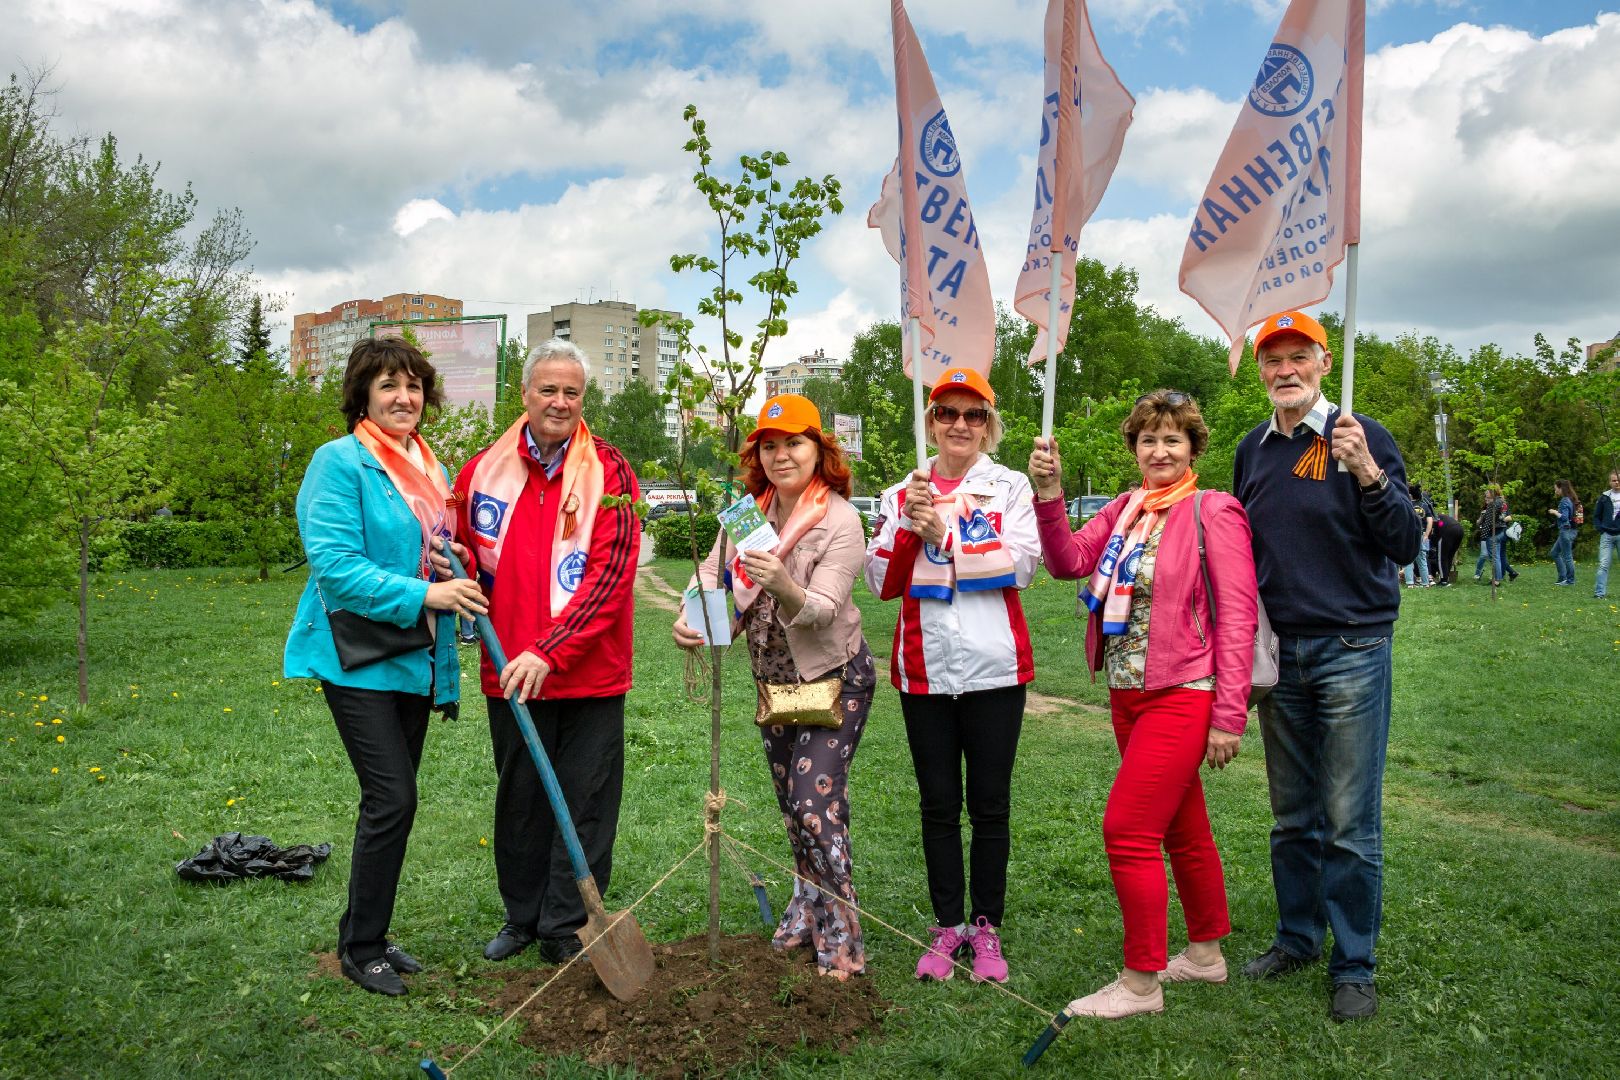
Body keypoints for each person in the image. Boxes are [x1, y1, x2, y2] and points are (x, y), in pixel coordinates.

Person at [1030, 389, 1257, 1019]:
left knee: (1127, 830)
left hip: (1183, 692)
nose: (1159, 450)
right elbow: (1068, 561)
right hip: (1127, 693)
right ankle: (1206, 956)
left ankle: (1140, 984)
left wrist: (1229, 717)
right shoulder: (1126, 509)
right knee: (1183, 827)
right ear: (1134, 448)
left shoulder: (1215, 511)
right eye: (1148, 440)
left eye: (1172, 440)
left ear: (1192, 448)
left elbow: (1238, 617)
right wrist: (1050, 497)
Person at [284, 338, 489, 996]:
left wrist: (449, 566)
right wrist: (429, 593)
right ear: (362, 396)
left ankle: (367, 933)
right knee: (393, 797)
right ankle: (360, 947)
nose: (404, 398)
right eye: (388, 386)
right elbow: (337, 570)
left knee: (391, 804)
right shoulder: (339, 463)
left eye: (414, 387)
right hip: (354, 655)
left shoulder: (427, 466)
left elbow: (427, 549)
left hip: (410, 657)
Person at [1232, 310, 1420, 1023]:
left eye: (1297, 357)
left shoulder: (1360, 436)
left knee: (1348, 821)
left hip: (1352, 650)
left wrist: (1367, 471)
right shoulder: (1253, 450)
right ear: (1262, 372)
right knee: (1293, 818)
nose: (1285, 371)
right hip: (1282, 656)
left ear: (1322, 361)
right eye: (1271, 360)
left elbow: (1403, 542)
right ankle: (1297, 938)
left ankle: (1354, 965)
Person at [445, 339, 640, 966]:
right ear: (524, 394)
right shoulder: (481, 471)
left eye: (572, 392)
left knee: (585, 801)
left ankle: (567, 926)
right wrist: (451, 562)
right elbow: (466, 552)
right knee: (521, 800)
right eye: (548, 390)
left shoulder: (612, 472)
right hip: (509, 672)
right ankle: (522, 918)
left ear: (585, 398)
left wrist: (550, 651)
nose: (559, 402)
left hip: (589, 674)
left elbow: (609, 577)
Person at [673, 395, 875, 980]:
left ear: (819, 450)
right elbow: (712, 571)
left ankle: (843, 937)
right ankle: (806, 907)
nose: (782, 454)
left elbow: (824, 608)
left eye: (795, 443)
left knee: (816, 805)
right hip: (776, 685)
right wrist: (697, 617)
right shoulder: (747, 513)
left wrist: (784, 584)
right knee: (794, 809)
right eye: (770, 444)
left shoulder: (840, 520)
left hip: (835, 680)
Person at [862, 367, 1039, 984]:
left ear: (989, 425)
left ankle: (985, 926)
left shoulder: (1010, 486)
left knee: (989, 805)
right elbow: (879, 581)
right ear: (930, 422)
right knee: (938, 804)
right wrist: (908, 531)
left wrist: (950, 534)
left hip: (994, 670)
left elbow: (1021, 567)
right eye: (946, 414)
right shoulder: (899, 493)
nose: (959, 425)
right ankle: (945, 926)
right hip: (925, 671)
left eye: (973, 415)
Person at [1474, 488, 1516, 586]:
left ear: (1493, 493)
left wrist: (1484, 536)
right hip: (1501, 532)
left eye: (1487, 492)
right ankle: (1500, 577)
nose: (1485, 494)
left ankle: (1497, 580)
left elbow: (1491, 521)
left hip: (1495, 533)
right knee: (1498, 556)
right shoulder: (1500, 503)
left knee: (1494, 557)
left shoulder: (1495, 504)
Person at [1546, 479, 1580, 586]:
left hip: (1566, 531)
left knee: (1567, 557)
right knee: (1554, 553)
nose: (1555, 491)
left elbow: (1565, 517)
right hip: (1568, 530)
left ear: (1561, 488)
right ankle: (1562, 577)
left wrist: (1555, 512)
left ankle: (1570, 581)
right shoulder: (1569, 499)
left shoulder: (1565, 500)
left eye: (1556, 489)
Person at [1594, 471, 1620, 599]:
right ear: (1610, 482)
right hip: (1607, 535)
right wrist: (1601, 529)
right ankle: (1599, 593)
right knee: (1603, 564)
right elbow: (1596, 516)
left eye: (1618, 480)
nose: (1616, 482)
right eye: (1614, 480)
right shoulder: (1604, 497)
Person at [1403, 484, 1433, 588]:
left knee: (1408, 559)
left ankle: (1410, 583)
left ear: (1410, 494)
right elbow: (1430, 521)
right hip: (1421, 534)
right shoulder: (1424, 505)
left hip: (1409, 535)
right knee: (1422, 560)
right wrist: (1427, 535)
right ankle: (1426, 583)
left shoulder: (1406, 505)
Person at [1430, 511, 1465, 586]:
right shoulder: (1441, 517)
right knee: (1449, 556)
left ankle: (1443, 581)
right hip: (1459, 529)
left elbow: (1435, 535)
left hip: (1448, 530)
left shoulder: (1431, 519)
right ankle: (1446, 578)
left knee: (1441, 557)